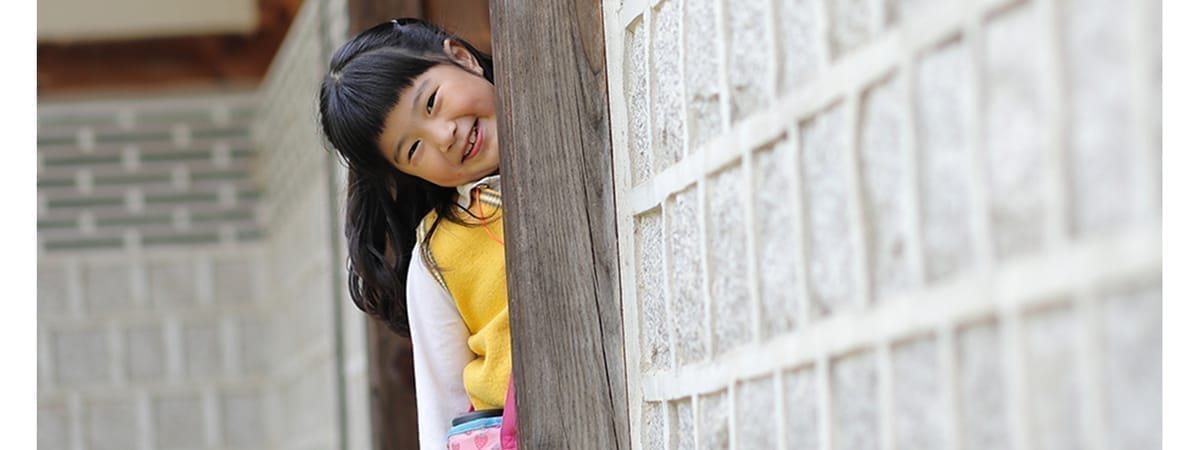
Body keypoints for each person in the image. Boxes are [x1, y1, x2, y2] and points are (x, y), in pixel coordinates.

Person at [318, 18, 516, 450]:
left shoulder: (578, 125)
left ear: (461, 57)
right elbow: (441, 410)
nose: (443, 137)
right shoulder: (439, 256)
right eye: (412, 148)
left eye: (431, 102)